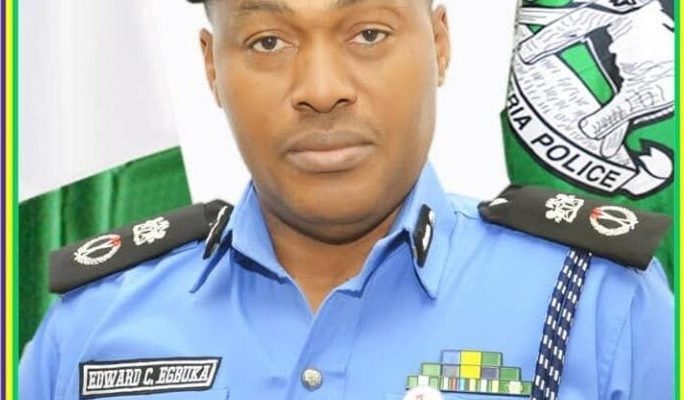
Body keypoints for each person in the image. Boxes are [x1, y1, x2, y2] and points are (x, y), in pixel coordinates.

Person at [20, 1, 673, 399]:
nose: (321, 88)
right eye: (268, 41)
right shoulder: (90, 328)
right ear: (212, 66)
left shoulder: (598, 308)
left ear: (439, 44)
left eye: (368, 34)